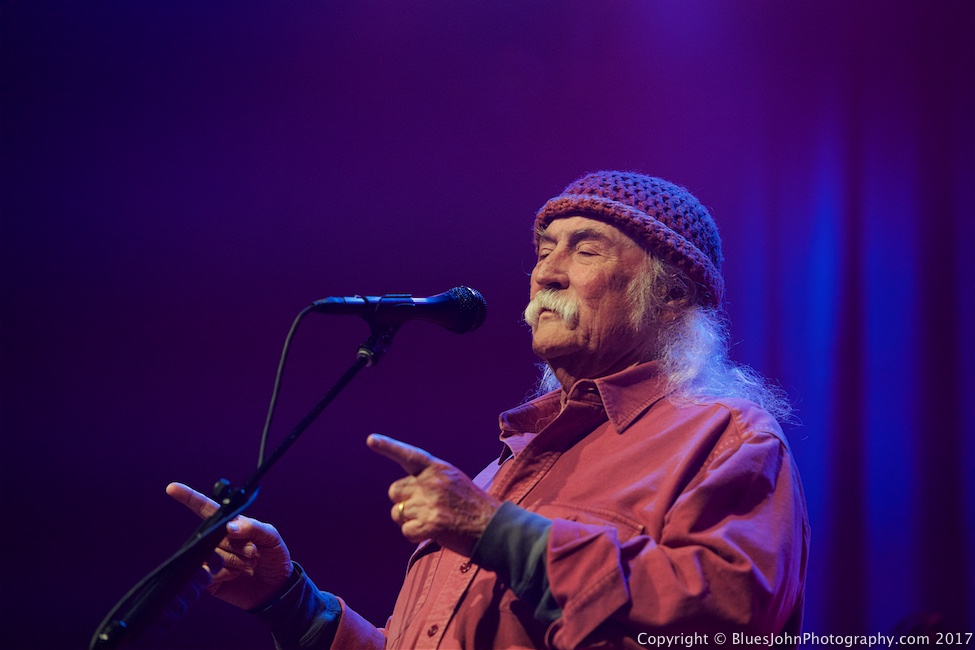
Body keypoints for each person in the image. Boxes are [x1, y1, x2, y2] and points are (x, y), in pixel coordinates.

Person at [168, 170, 809, 649]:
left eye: (585, 249)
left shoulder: (723, 437)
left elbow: (729, 616)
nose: (546, 273)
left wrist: (496, 533)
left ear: (671, 296)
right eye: (544, 250)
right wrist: (289, 603)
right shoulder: (500, 474)